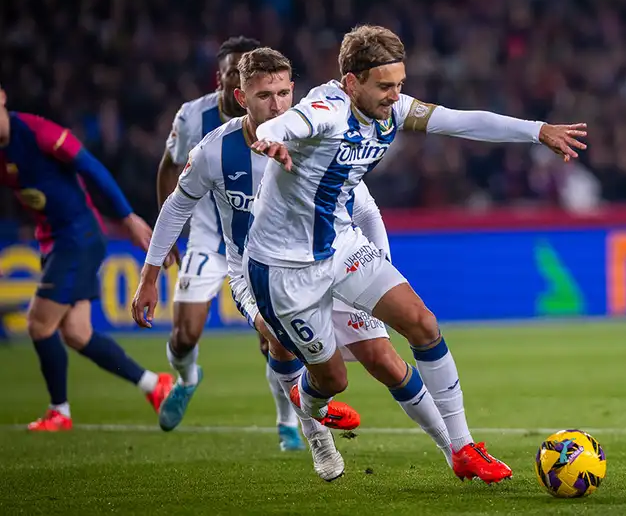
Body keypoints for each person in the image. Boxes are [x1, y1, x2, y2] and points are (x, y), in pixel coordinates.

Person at [244, 24, 587, 484]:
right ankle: (307, 407)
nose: (395, 95)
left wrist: (537, 130)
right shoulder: (326, 108)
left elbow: (463, 120)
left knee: (422, 324)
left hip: (340, 244)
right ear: (352, 82)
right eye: (384, 86)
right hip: (284, 268)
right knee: (332, 381)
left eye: (399, 84)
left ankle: (463, 448)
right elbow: (286, 123)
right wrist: (271, 137)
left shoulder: (392, 109)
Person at [132, 47, 455, 481]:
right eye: (265, 95)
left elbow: (365, 210)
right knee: (278, 340)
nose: (278, 104)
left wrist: (381, 265)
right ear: (241, 97)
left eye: (285, 93)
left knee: (384, 360)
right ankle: (315, 434)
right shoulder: (215, 151)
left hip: (329, 259)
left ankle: (454, 449)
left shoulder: (317, 134)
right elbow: (176, 207)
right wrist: (149, 276)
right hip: (255, 272)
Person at [155, 36, 303, 451]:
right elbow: (168, 169)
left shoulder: (287, 123)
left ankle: (286, 421)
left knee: (272, 339)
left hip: (262, 244)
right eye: (225, 76)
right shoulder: (193, 119)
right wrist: (166, 233)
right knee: (184, 335)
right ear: (227, 81)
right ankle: (187, 378)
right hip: (208, 236)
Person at [0, 84, 172, 431]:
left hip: (78, 236)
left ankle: (59, 412)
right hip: (54, 241)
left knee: (38, 323)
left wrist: (127, 217)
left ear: (2, 97)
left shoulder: (36, 131)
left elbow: (91, 167)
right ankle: (155, 385)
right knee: (77, 333)